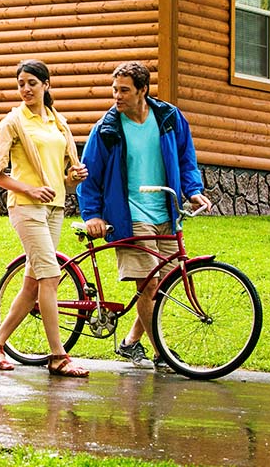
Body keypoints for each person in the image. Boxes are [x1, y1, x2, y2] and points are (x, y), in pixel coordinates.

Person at [77, 61, 212, 372]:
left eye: (124, 90)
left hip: (166, 211)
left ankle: (129, 342)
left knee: (162, 285)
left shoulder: (169, 118)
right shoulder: (106, 129)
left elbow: (185, 158)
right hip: (128, 214)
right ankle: (164, 353)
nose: (117, 96)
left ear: (142, 91)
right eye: (114, 90)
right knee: (149, 288)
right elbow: (90, 176)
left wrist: (193, 190)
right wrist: (93, 214)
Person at [0, 59, 90, 378]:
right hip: (25, 207)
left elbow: (64, 174)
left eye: (32, 82)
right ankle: (58, 356)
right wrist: (30, 189)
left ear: (46, 84)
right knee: (50, 277)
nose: (26, 89)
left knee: (33, 284)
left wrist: (75, 176)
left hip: (54, 206)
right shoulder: (13, 122)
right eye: (21, 84)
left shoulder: (58, 122)